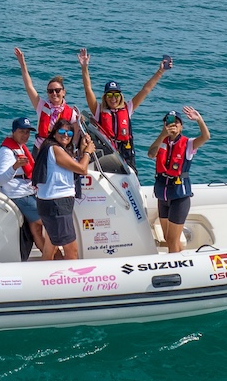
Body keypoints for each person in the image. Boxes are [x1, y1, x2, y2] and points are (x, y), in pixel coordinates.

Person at [78, 48, 166, 169]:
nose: (113, 98)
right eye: (109, 95)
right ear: (105, 97)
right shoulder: (99, 111)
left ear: (120, 96)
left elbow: (145, 90)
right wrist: (84, 67)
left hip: (126, 152)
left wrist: (160, 71)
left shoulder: (128, 108)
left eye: (116, 95)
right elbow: (88, 90)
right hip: (108, 153)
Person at [146, 106, 210, 253]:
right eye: (169, 122)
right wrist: (162, 135)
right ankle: (182, 260)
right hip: (163, 195)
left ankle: (174, 269)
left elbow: (206, 137)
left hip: (179, 196)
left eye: (176, 122)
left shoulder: (188, 144)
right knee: (169, 239)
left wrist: (199, 120)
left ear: (181, 127)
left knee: (173, 242)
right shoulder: (162, 141)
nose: (173, 125)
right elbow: (151, 154)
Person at [33, 119, 96, 260]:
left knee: (50, 248)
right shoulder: (55, 149)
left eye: (69, 132)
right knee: (71, 251)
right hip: (57, 205)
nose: (65, 135)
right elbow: (82, 169)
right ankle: (72, 280)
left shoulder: (54, 149)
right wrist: (87, 153)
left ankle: (44, 278)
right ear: (54, 133)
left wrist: (82, 147)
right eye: (61, 131)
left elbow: (73, 165)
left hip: (50, 203)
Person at [0, 117, 46, 259]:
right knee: (50, 222)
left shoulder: (19, 147)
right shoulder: (6, 152)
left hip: (27, 191)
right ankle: (56, 258)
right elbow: (0, 179)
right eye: (22, 131)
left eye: (28, 132)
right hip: (20, 196)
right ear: (13, 132)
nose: (25, 135)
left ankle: (51, 259)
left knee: (36, 228)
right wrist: (15, 167)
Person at [14, 47, 79, 154]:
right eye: (50, 91)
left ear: (64, 92)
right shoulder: (41, 105)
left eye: (57, 90)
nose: (54, 93)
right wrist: (22, 64)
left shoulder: (71, 113)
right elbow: (29, 86)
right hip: (40, 149)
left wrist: (72, 150)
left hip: (60, 151)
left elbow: (75, 134)